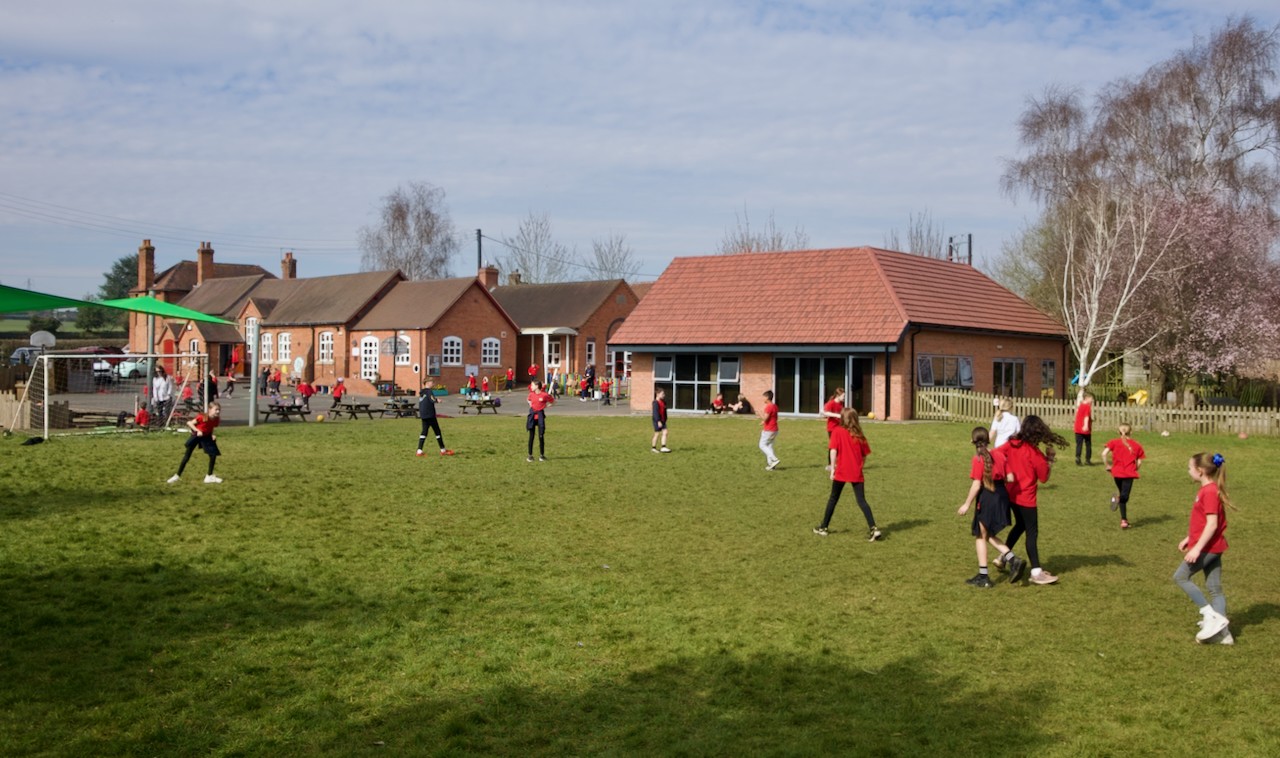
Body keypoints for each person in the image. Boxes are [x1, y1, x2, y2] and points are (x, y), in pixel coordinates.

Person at [997, 415, 1068, 585]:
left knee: (1020, 525)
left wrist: (1006, 473)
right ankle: (1036, 572)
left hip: (1011, 495)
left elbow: (997, 454)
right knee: (1031, 532)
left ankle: (1003, 556)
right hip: (1026, 498)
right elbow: (1044, 478)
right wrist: (1049, 459)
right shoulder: (1035, 454)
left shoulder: (1012, 444)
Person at [1175, 452, 1234, 644]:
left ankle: (1211, 616)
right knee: (1214, 588)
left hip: (1208, 548)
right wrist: (1188, 538)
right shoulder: (1208, 490)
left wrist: (1196, 548)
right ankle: (1224, 636)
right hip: (1214, 546)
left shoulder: (1208, 492)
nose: (1188, 471)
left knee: (1181, 577)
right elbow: (1203, 524)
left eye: (1189, 468)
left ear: (1200, 471)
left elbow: (1212, 524)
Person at [957, 427, 1026, 587]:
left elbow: (976, 485)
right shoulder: (1000, 455)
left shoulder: (978, 459)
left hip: (987, 497)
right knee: (987, 534)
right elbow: (1010, 477)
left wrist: (967, 504)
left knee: (981, 536)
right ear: (988, 439)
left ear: (973, 442)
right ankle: (1011, 559)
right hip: (1001, 496)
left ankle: (985, 576)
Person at [813, 408, 881, 541]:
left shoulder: (837, 431)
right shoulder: (859, 434)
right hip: (856, 472)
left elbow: (833, 451)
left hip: (842, 471)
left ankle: (824, 527)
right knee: (862, 501)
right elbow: (864, 455)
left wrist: (832, 469)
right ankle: (874, 528)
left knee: (833, 498)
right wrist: (860, 465)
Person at [167, 401, 223, 484]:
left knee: (213, 454)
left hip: (206, 436)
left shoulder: (216, 419)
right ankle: (177, 476)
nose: (218, 412)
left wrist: (212, 435)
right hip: (197, 435)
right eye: (216, 410)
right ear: (210, 410)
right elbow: (189, 423)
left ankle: (209, 476)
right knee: (187, 456)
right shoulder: (203, 417)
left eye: (219, 410)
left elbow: (210, 427)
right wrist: (197, 431)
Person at [1102, 423, 1146, 529]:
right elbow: (1139, 461)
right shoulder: (1137, 445)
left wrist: (1107, 465)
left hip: (1116, 473)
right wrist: (1135, 469)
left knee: (1123, 495)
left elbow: (1104, 454)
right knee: (1125, 497)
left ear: (1118, 432)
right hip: (1128, 474)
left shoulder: (1113, 442)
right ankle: (1122, 515)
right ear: (1131, 432)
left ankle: (1124, 520)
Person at [415, 379, 454, 457]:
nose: (433, 384)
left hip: (423, 414)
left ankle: (419, 451)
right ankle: (443, 450)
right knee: (437, 431)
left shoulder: (422, 392)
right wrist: (437, 400)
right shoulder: (429, 391)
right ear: (427, 383)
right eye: (432, 382)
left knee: (424, 432)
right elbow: (432, 399)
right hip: (430, 414)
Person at [526, 380, 555, 462]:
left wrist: (547, 405)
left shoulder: (544, 395)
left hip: (540, 416)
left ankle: (542, 455)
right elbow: (528, 399)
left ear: (537, 386)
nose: (531, 387)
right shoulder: (531, 394)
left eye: (532, 385)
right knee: (531, 436)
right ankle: (530, 455)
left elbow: (553, 401)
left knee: (541, 436)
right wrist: (530, 404)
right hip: (532, 416)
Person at [819, 387, 846, 468]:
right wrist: (836, 415)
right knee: (833, 446)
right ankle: (830, 464)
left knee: (840, 445)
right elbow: (824, 412)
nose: (844, 398)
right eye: (843, 396)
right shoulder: (831, 403)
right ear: (838, 395)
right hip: (832, 428)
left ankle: (838, 462)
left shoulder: (841, 404)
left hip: (839, 428)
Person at [758, 389, 780, 470]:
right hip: (775, 429)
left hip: (769, 430)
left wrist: (760, 414)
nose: (763, 399)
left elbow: (766, 418)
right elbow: (773, 417)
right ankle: (771, 465)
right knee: (769, 446)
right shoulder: (774, 406)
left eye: (764, 397)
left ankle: (774, 459)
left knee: (762, 445)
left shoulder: (769, 407)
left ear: (767, 397)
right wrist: (763, 422)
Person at [1074, 392, 1094, 465]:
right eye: (1091, 399)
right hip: (1085, 430)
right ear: (1087, 398)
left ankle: (1077, 457)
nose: (1092, 400)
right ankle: (1087, 460)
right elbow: (1086, 417)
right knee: (1088, 444)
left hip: (1077, 428)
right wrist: (1086, 426)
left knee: (1079, 444)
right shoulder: (1087, 406)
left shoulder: (1081, 405)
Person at [651, 388, 671, 453]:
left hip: (663, 420)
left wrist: (665, 419)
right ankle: (653, 448)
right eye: (662, 394)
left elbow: (664, 411)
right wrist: (658, 421)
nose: (664, 395)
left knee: (665, 432)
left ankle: (663, 447)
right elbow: (655, 413)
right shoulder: (655, 403)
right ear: (658, 394)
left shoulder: (663, 402)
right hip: (657, 421)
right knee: (657, 433)